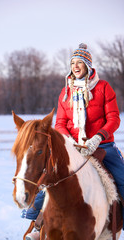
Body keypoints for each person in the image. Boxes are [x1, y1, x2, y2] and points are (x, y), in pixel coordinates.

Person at [55, 43, 124, 229]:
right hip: (73, 146)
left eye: (80, 62)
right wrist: (70, 142)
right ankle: (38, 221)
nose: (75, 66)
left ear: (88, 65)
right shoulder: (65, 92)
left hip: (103, 146)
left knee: (123, 178)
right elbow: (60, 124)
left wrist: (98, 138)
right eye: (73, 63)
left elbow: (114, 119)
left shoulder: (103, 87)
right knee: (49, 176)